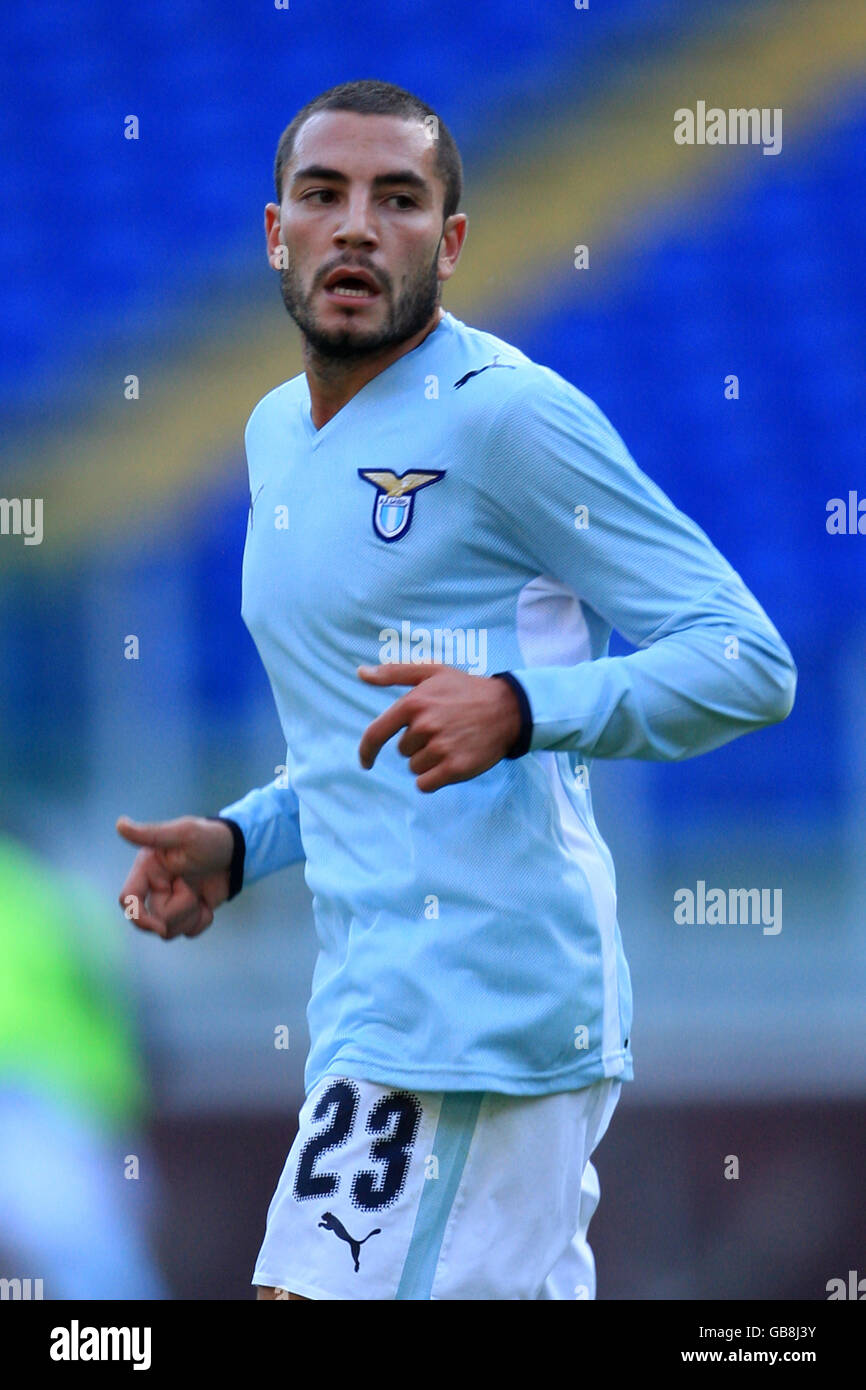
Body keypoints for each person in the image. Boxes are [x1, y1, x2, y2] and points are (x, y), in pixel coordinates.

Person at [117, 79, 797, 1301]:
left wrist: (525, 707)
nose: (357, 228)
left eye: (399, 199)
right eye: (323, 197)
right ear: (276, 232)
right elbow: (356, 731)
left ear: (452, 239)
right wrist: (243, 840)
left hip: (482, 1006)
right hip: (373, 996)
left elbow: (745, 659)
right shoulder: (275, 432)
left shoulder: (511, 421)